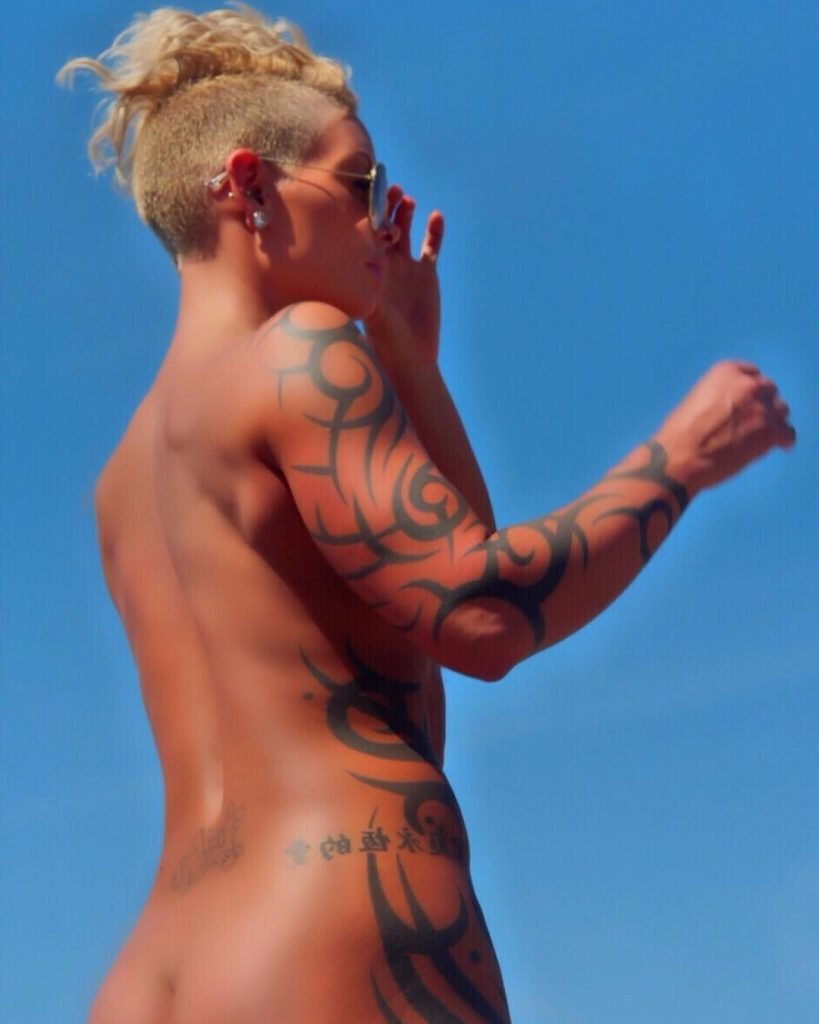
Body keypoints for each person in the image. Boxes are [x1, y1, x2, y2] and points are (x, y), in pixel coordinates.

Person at [59, 7, 796, 1023]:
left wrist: (408, 360)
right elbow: (478, 611)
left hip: (157, 971)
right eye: (358, 183)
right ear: (249, 186)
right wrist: (681, 458)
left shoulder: (125, 478)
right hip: (334, 910)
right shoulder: (298, 350)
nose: (378, 216)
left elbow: (423, 588)